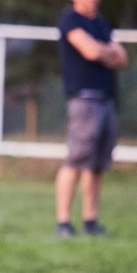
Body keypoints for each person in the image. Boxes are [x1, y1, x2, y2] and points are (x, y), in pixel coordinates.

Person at [55, 0, 128, 238]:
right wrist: (106, 51)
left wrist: (101, 51)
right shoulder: (70, 21)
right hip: (83, 100)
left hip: (106, 99)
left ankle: (90, 220)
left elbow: (122, 58)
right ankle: (63, 223)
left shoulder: (102, 24)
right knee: (76, 161)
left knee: (97, 166)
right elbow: (91, 51)